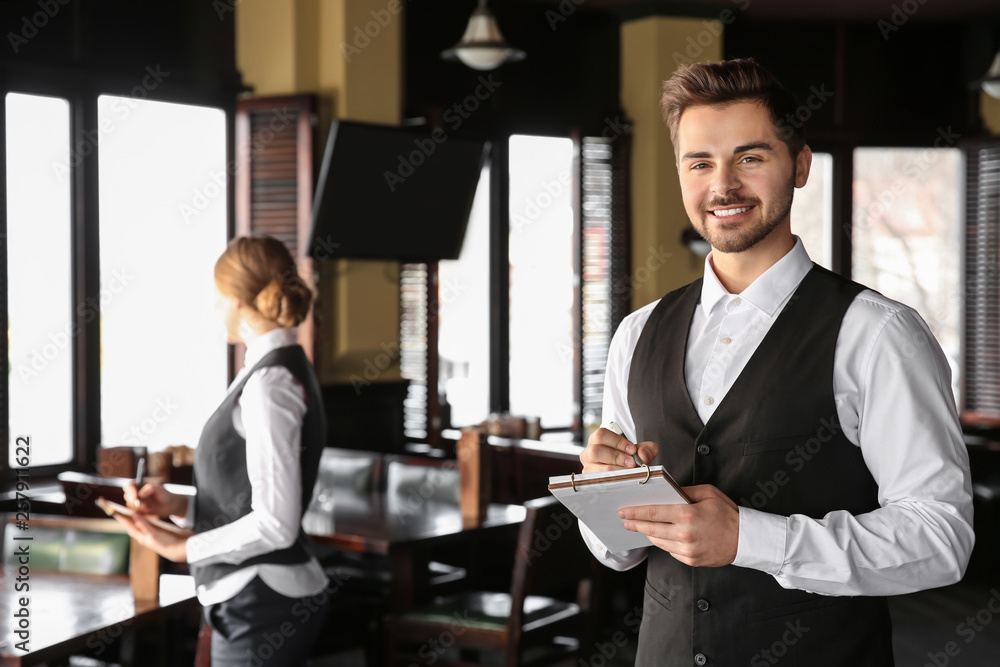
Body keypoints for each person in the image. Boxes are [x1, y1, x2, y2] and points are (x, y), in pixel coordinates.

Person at [579, 58, 974, 666]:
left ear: (801, 164)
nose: (723, 185)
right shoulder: (637, 333)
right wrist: (606, 494)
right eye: (700, 162)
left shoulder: (878, 334)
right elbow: (618, 552)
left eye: (750, 157)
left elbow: (942, 538)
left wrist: (751, 539)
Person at [113, 235, 331, 666]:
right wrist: (179, 504)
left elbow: (276, 524)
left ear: (238, 301)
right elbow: (252, 499)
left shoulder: (270, 384)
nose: (214, 309)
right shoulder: (272, 368)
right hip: (254, 597)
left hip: (262, 601)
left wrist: (184, 549)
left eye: (218, 297)